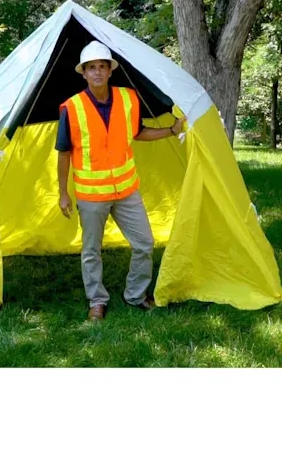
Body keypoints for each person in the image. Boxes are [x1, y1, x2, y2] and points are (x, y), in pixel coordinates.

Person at [55, 41, 185, 322]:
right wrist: (63, 193)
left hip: (126, 190)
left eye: (103, 66)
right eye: (92, 68)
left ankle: (136, 295)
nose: (98, 72)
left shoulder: (129, 98)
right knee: (91, 251)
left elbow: (138, 132)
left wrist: (171, 131)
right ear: (84, 73)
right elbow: (64, 152)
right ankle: (97, 301)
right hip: (90, 195)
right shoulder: (72, 108)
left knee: (144, 243)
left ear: (110, 71)